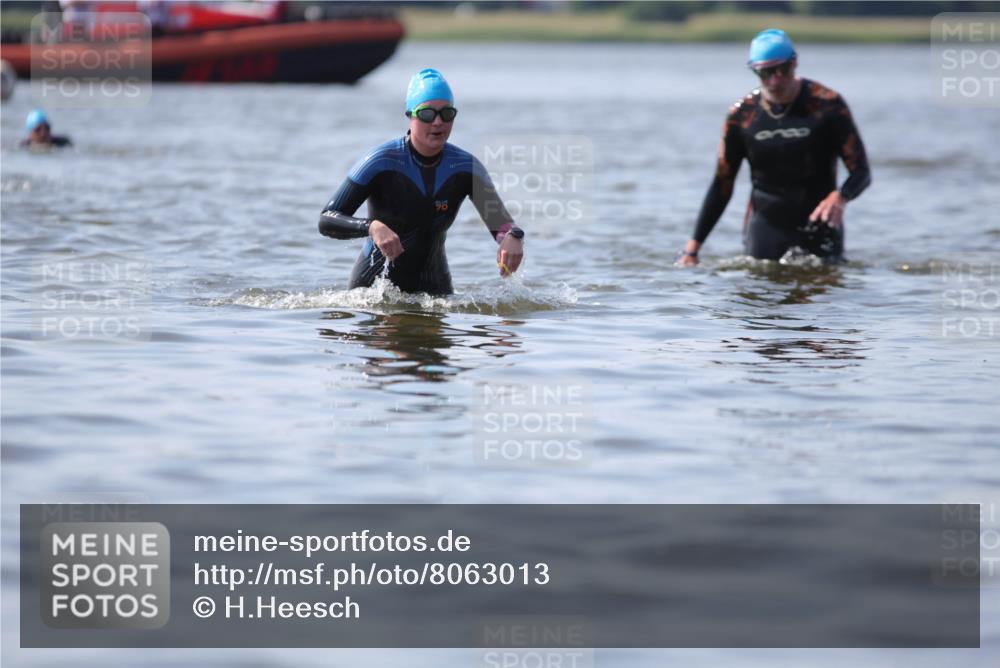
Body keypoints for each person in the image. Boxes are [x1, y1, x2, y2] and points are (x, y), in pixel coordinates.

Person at [318, 68, 524, 295]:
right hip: (372, 291)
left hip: (436, 290)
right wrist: (372, 227)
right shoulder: (380, 161)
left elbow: (502, 225)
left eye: (446, 113)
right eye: (427, 114)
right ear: (410, 115)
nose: (437, 122)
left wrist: (512, 237)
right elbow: (327, 219)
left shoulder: (466, 167)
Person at [679, 29, 871, 266]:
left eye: (783, 70)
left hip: (820, 226)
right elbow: (722, 184)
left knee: (823, 285)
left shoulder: (828, 105)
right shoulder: (742, 116)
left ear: (795, 63)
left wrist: (841, 197)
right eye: (766, 72)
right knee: (759, 286)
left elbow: (861, 171)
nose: (775, 80)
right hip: (765, 228)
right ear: (755, 71)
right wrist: (692, 250)